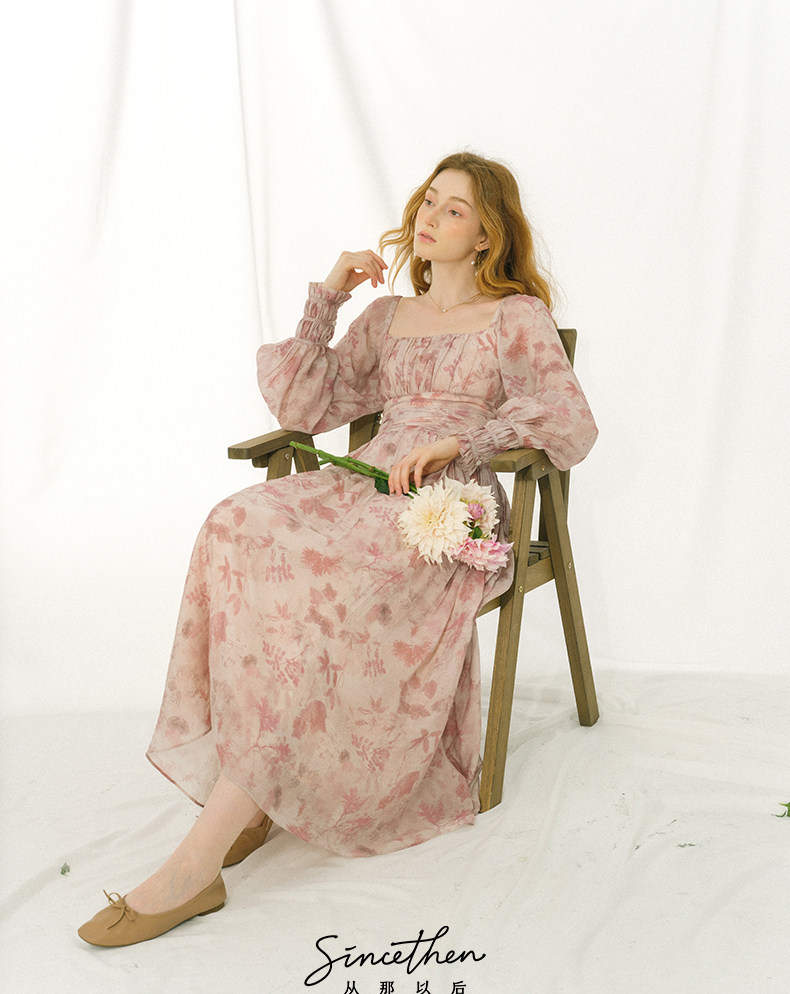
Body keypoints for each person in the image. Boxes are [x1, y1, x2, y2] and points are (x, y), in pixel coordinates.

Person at [77, 151, 598, 947]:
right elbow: (303, 403)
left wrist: (466, 440)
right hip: (366, 485)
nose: (430, 216)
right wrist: (327, 298)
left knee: (333, 588)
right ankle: (252, 782)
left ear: (486, 235)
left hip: (445, 505)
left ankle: (199, 860)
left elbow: (569, 418)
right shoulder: (386, 318)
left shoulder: (514, 316)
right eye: (429, 200)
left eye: (454, 209)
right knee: (232, 524)